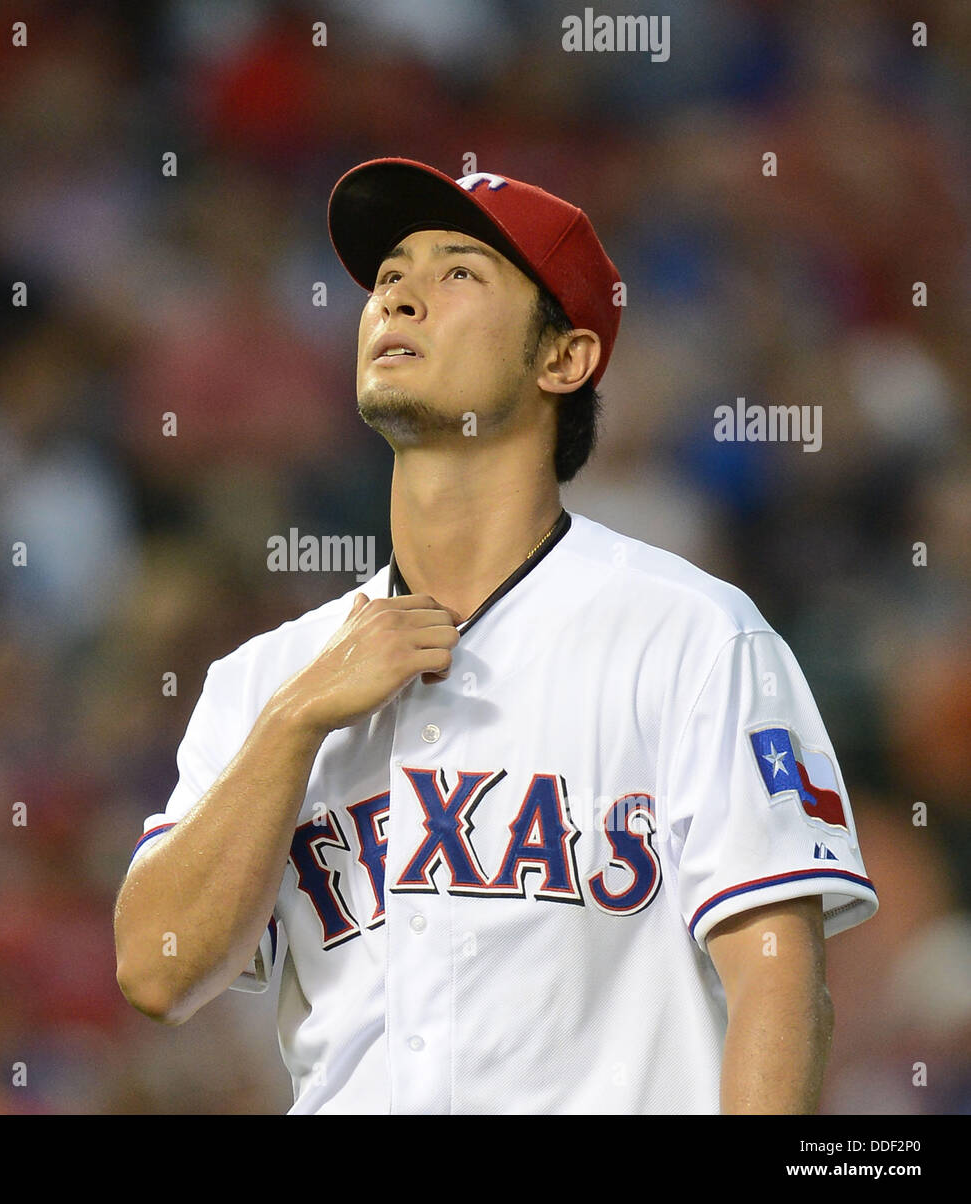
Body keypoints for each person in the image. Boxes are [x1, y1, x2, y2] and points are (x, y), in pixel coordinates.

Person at [114, 157, 878, 1114]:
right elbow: (157, 971)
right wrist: (297, 721)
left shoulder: (689, 636)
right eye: (391, 275)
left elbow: (778, 980)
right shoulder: (269, 678)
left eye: (458, 273)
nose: (399, 296)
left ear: (565, 358)